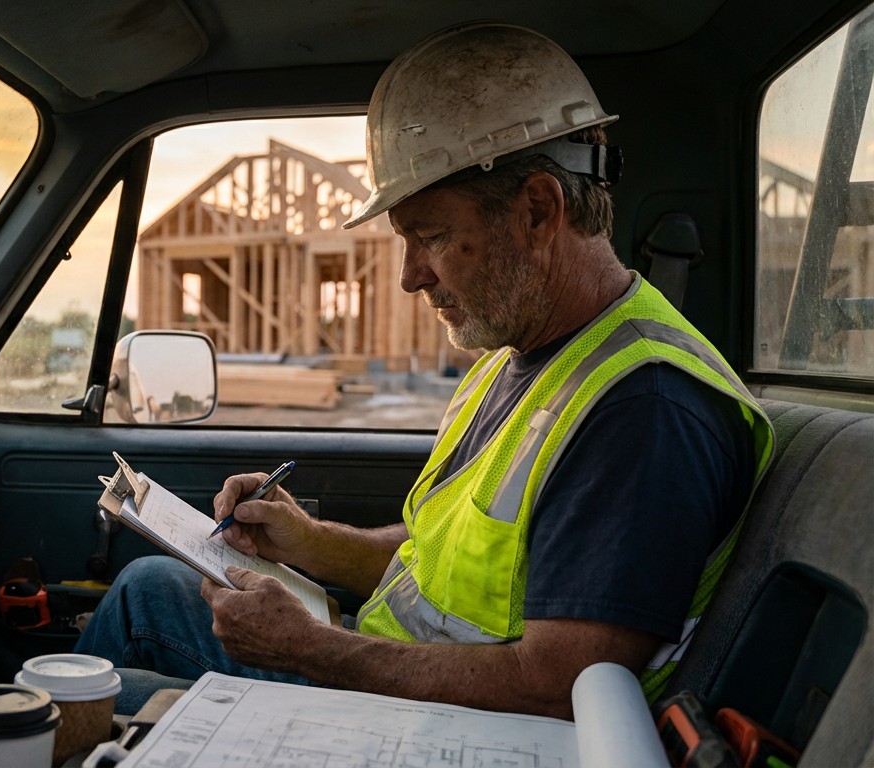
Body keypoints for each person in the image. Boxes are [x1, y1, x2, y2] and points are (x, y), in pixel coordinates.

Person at [76, 21, 774, 720]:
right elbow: (437, 561)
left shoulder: (643, 409)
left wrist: (311, 649)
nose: (411, 276)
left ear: (538, 209)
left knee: (74, 708)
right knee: (147, 590)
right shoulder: (517, 361)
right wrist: (312, 543)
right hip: (396, 676)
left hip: (435, 725)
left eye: (432, 237)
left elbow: (560, 687)